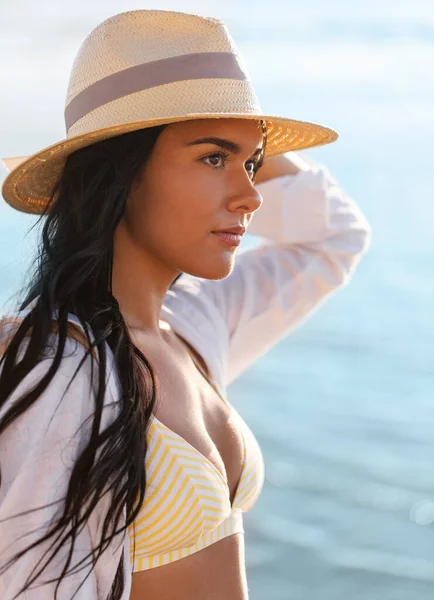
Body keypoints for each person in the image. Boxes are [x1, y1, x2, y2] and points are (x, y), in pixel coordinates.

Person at [0, 9, 371, 600]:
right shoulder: (56, 377)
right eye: (213, 158)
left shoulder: (194, 325)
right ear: (119, 173)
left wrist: (232, 129)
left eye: (252, 163)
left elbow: (333, 237)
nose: (252, 196)